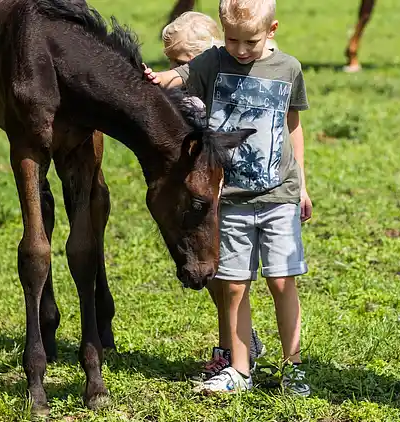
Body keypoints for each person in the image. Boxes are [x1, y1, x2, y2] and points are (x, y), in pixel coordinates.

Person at [145, 0, 312, 396]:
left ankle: (293, 367)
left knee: (282, 281)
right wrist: (154, 78)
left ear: (272, 30)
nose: (239, 49)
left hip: (279, 196)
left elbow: (294, 126)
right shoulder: (214, 62)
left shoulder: (288, 68)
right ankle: (239, 369)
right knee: (234, 285)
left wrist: (302, 183)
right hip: (231, 199)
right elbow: (179, 75)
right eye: (232, 39)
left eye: (249, 41)